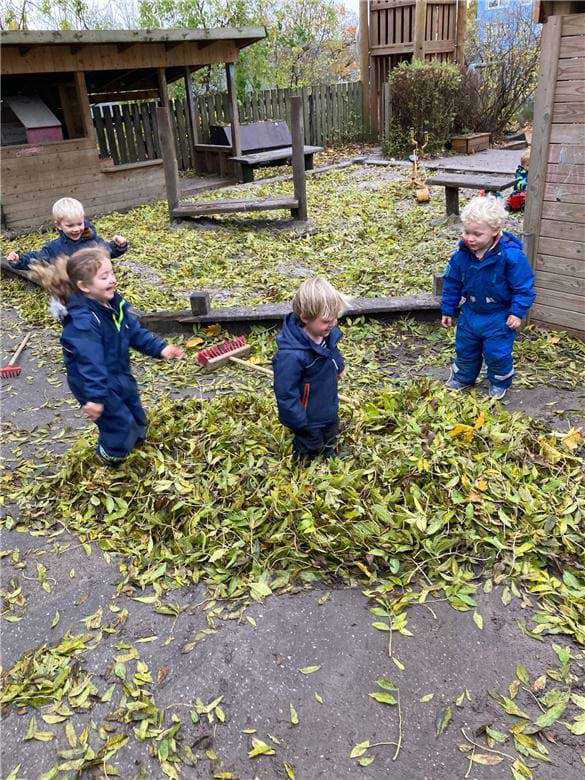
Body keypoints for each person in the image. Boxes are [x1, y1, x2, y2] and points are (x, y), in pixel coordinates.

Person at [32, 247, 184, 465]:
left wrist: (160, 348)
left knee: (135, 410)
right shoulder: (83, 323)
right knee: (118, 424)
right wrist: (95, 398)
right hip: (94, 385)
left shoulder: (114, 305)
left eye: (112, 273)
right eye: (104, 277)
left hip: (119, 372)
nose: (112, 280)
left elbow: (134, 331)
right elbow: (89, 363)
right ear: (84, 286)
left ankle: (137, 442)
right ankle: (110, 459)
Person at [441, 195, 536, 400]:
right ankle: (463, 378)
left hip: (498, 316)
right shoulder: (461, 256)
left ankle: (499, 381)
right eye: (467, 232)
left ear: (495, 231)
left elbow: (524, 287)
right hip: (471, 312)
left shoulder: (511, 257)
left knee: (497, 352)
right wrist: (448, 309)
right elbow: (452, 283)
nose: (470, 238)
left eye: (477, 234)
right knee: (465, 348)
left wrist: (517, 312)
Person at [273, 277, 350, 461]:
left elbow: (332, 352)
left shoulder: (325, 334)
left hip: (328, 405)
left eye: (335, 319)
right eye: (326, 321)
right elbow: (285, 394)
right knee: (310, 445)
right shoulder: (291, 356)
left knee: (331, 435)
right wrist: (300, 422)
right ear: (305, 318)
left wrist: (339, 366)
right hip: (308, 417)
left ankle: (330, 455)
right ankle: (304, 465)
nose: (331, 325)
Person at [6, 197, 128, 271]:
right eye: (70, 226)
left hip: (99, 286)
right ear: (59, 225)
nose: (76, 229)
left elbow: (108, 252)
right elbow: (37, 259)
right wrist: (19, 260)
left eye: (79, 224)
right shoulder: (55, 248)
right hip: (76, 292)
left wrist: (119, 246)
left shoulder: (93, 241)